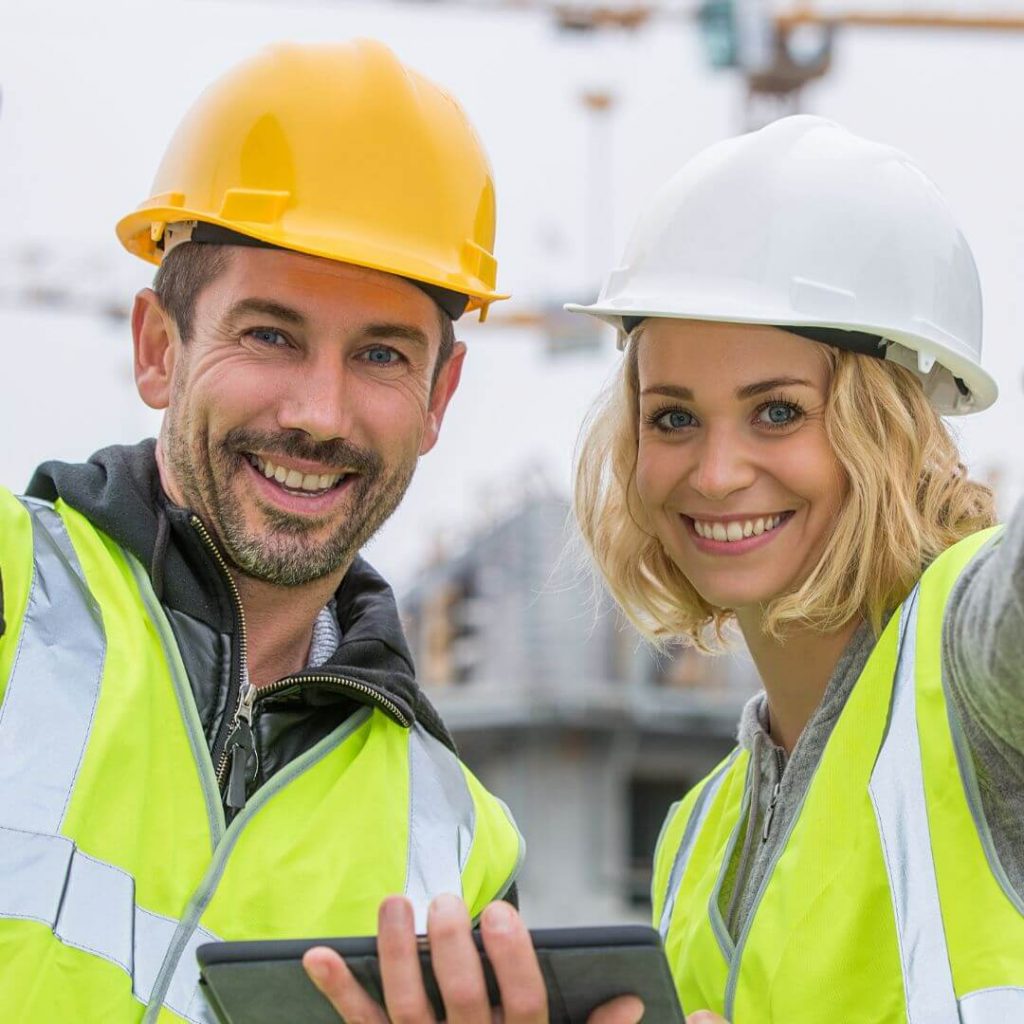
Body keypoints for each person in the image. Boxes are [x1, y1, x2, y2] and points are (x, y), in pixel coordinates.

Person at [0, 40, 527, 1023]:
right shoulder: (11, 591)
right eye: (271, 335)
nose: (319, 414)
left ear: (437, 398)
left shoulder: (461, 849)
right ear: (159, 349)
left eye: (381, 354)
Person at [566, 115, 1024, 1022]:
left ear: (887, 426)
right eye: (673, 418)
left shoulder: (972, 662)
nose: (715, 473)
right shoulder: (695, 840)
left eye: (777, 412)